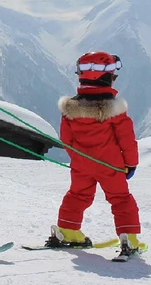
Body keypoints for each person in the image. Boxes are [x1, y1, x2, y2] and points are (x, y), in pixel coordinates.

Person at [47, 51, 141, 250]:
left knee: (77, 195)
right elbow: (126, 139)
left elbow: (66, 139)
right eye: (113, 76)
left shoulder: (70, 110)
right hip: (110, 164)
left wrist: (79, 158)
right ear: (106, 78)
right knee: (120, 198)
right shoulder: (114, 110)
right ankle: (128, 238)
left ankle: (69, 231)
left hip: (81, 164)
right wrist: (131, 163)